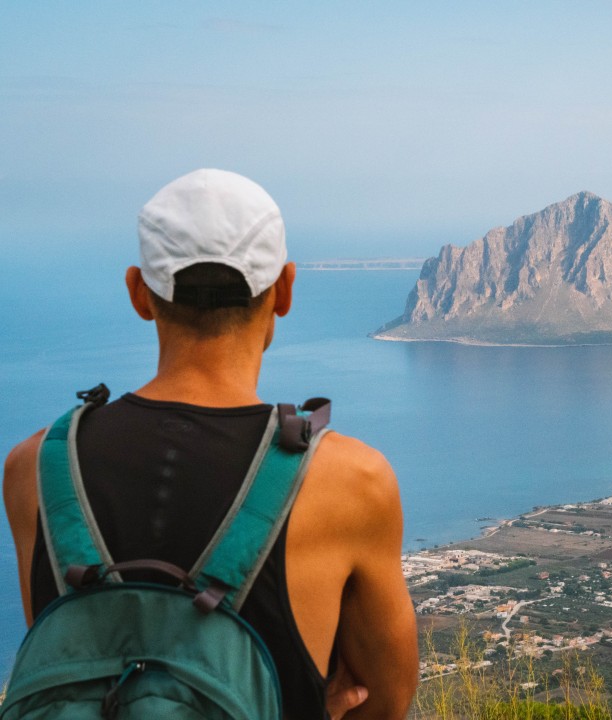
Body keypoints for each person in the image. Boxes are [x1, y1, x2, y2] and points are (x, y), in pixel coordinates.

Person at [2, 168, 419, 719]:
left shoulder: (34, 468)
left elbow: (69, 657)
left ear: (139, 293)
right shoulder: (349, 481)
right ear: (285, 290)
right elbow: (383, 701)